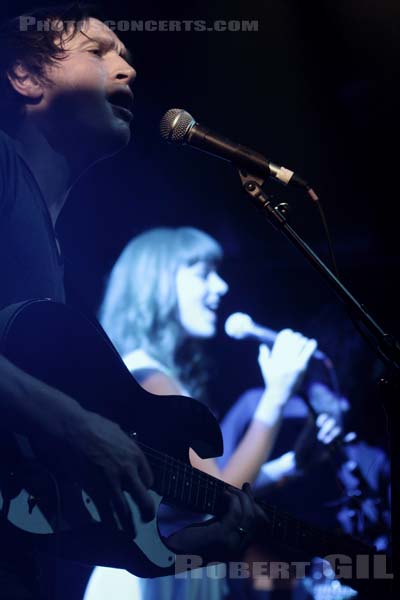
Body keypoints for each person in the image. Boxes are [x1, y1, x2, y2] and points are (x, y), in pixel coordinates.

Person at [0, 5, 267, 598]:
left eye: (125, 55)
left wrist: (186, 551)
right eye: (98, 53)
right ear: (26, 75)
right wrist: (75, 423)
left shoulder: (50, 250)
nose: (128, 69)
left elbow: (35, 511)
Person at [92, 226, 319, 599]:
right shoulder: (146, 377)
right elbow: (221, 496)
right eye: (203, 274)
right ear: (158, 284)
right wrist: (276, 396)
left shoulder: (155, 374)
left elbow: (202, 489)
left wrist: (293, 463)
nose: (221, 288)